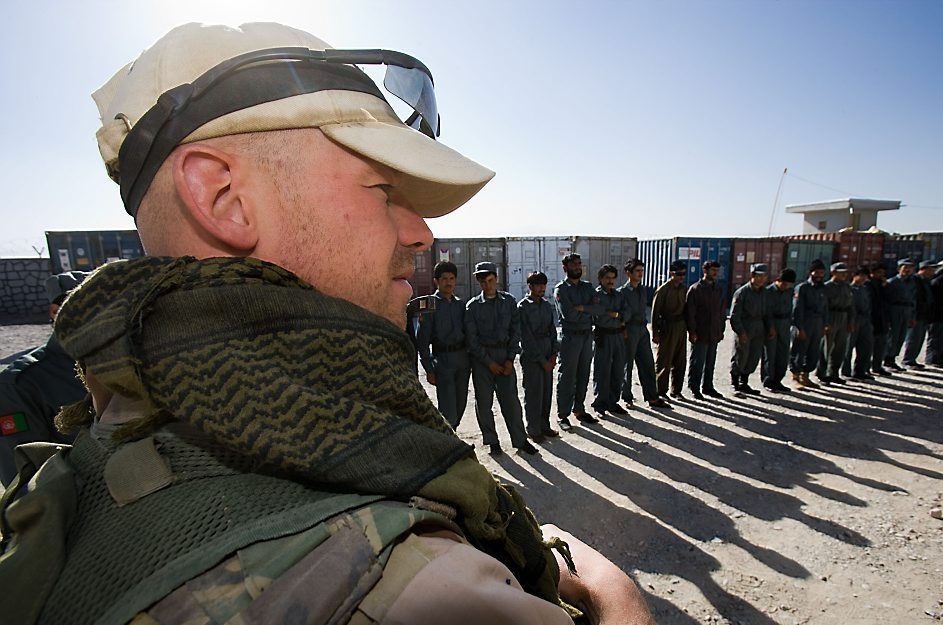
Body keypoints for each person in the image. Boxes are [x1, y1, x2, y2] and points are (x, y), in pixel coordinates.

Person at [0, 23, 655, 625]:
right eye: (383, 191)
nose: (422, 234)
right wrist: (612, 591)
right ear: (223, 197)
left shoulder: (95, 458)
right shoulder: (417, 587)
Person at [0, 271, 89, 486]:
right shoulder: (19, 384)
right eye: (85, 306)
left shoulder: (123, 363)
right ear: (55, 312)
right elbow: (24, 482)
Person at [466, 262, 536, 456]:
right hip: (483, 361)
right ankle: (492, 441)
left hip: (505, 357)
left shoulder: (509, 302)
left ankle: (520, 440)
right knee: (484, 402)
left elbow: (516, 331)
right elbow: (472, 340)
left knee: (511, 402)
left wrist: (510, 359)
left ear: (496, 279)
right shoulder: (472, 307)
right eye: (482, 281)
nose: (487, 285)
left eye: (490, 280)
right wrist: (489, 363)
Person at [416, 261, 470, 428]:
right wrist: (429, 369)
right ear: (436, 281)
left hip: (462, 360)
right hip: (443, 362)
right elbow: (422, 342)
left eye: (452, 278)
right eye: (444, 278)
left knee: (461, 404)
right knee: (448, 410)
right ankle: (449, 443)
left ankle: (451, 436)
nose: (448, 282)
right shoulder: (429, 306)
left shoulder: (461, 305)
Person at [554, 253, 603, 431]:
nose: (578, 267)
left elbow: (599, 309)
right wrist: (586, 310)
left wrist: (583, 308)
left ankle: (579, 409)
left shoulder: (588, 287)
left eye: (579, 264)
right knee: (567, 376)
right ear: (565, 268)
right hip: (570, 337)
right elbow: (570, 315)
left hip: (586, 336)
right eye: (574, 265)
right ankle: (563, 414)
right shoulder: (561, 289)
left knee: (583, 374)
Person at [619, 259, 667, 408]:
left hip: (642, 329)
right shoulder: (622, 292)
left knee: (647, 364)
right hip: (629, 330)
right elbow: (621, 315)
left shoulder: (643, 289)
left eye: (642, 271)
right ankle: (627, 397)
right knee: (627, 365)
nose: (640, 274)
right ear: (628, 273)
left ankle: (652, 397)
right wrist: (624, 331)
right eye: (637, 271)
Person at [519, 272, 561, 444]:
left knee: (546, 393)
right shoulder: (522, 307)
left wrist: (553, 354)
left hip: (547, 353)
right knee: (534, 394)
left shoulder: (546, 305)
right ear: (530, 287)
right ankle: (533, 429)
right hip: (532, 357)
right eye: (538, 285)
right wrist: (542, 360)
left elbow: (553, 330)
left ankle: (544, 425)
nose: (542, 288)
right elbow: (526, 337)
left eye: (543, 285)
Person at [590, 264, 630, 416]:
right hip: (604, 336)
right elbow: (598, 315)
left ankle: (613, 402)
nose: (610, 281)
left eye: (613, 278)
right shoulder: (596, 296)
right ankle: (600, 404)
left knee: (618, 370)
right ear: (600, 279)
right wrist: (613, 315)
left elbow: (627, 312)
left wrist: (617, 315)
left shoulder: (618, 295)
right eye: (607, 278)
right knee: (602, 370)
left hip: (618, 335)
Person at [684, 260, 726, 399]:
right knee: (697, 361)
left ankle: (708, 387)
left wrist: (721, 329)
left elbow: (721, 311)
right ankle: (694, 387)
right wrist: (692, 331)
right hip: (700, 332)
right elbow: (690, 313)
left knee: (710, 361)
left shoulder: (718, 289)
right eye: (713, 270)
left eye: (717, 271)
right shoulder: (696, 289)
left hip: (713, 331)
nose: (715, 273)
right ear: (705, 271)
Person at [728, 263, 770, 395]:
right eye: (759, 276)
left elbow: (767, 313)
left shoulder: (764, 292)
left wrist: (769, 328)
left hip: (759, 327)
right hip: (745, 327)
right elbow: (734, 315)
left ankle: (744, 382)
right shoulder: (742, 292)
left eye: (764, 276)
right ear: (752, 276)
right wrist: (740, 332)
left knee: (753, 356)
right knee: (741, 355)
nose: (762, 279)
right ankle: (735, 383)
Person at [650, 260, 689, 399]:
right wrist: (655, 333)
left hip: (680, 326)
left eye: (683, 274)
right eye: (678, 274)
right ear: (671, 273)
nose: (681, 277)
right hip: (667, 327)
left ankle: (676, 390)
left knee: (680, 361)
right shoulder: (663, 290)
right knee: (664, 361)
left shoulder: (684, 289)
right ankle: (660, 391)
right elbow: (655, 313)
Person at [790, 259, 830, 389]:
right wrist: (799, 327)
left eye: (822, 272)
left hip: (818, 324)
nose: (819, 275)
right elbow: (797, 309)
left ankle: (805, 375)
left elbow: (825, 308)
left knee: (813, 351)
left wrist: (825, 324)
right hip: (804, 322)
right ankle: (795, 377)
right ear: (810, 272)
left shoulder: (824, 288)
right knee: (799, 350)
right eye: (816, 272)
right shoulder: (802, 288)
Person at [817, 262, 855, 384]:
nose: (844, 275)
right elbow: (824, 307)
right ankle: (821, 373)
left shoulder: (847, 286)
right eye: (841, 272)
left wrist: (850, 321)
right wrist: (826, 323)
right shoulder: (827, 287)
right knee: (826, 346)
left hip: (843, 317)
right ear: (833, 272)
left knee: (840, 347)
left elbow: (850, 306)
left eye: (845, 272)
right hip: (831, 316)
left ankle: (834, 373)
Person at [761, 268, 796, 392]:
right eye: (785, 284)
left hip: (785, 324)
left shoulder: (789, 291)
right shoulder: (768, 292)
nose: (786, 287)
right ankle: (768, 380)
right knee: (770, 354)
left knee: (783, 353)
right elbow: (766, 312)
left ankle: (778, 380)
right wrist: (770, 327)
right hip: (772, 324)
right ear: (778, 280)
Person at [902, 260, 936, 369]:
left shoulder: (926, 281)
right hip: (916, 314)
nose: (933, 271)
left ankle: (913, 359)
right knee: (913, 338)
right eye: (931, 269)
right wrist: (913, 315)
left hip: (924, 314)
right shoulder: (915, 280)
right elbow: (914, 299)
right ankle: (908, 360)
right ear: (923, 269)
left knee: (919, 338)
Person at [884, 258, 917, 371]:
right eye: (905, 267)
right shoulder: (892, 282)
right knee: (893, 335)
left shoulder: (912, 283)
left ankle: (893, 358)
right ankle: (887, 359)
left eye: (910, 268)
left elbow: (913, 300)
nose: (908, 270)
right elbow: (886, 300)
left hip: (906, 310)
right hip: (895, 309)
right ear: (899, 268)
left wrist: (912, 316)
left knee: (901, 336)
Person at [842, 266, 874, 380]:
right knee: (848, 347)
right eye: (862, 276)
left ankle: (860, 371)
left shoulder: (865, 289)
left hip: (865, 320)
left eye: (866, 276)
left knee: (865, 346)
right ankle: (845, 371)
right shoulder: (849, 289)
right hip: (853, 320)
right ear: (855, 276)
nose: (864, 278)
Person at [868, 263, 893, 376]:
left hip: (882, 318)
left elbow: (888, 301)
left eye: (882, 273)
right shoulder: (868, 285)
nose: (881, 275)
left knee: (881, 344)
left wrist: (885, 287)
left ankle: (877, 366)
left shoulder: (883, 285)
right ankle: (865, 367)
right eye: (878, 273)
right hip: (872, 317)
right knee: (869, 345)